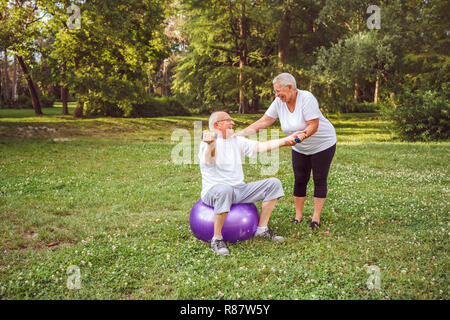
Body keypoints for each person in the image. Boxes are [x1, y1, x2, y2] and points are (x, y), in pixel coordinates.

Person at [235, 73, 336, 232]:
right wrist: (240, 134)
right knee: (300, 178)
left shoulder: (306, 98)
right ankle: (298, 216)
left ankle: (316, 217)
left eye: (278, 91)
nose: (276, 95)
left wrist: (301, 136)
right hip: (299, 146)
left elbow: (313, 125)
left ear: (290, 87)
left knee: (319, 178)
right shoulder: (279, 102)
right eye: (275, 92)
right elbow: (264, 121)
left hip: (322, 144)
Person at [199, 111, 303, 255]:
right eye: (228, 120)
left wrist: (286, 140)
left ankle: (261, 229)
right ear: (217, 124)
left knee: (273, 184)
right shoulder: (208, 142)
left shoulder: (236, 140)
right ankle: (217, 239)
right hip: (214, 191)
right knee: (224, 190)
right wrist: (211, 145)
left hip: (239, 189)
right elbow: (209, 162)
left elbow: (260, 147)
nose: (233, 123)